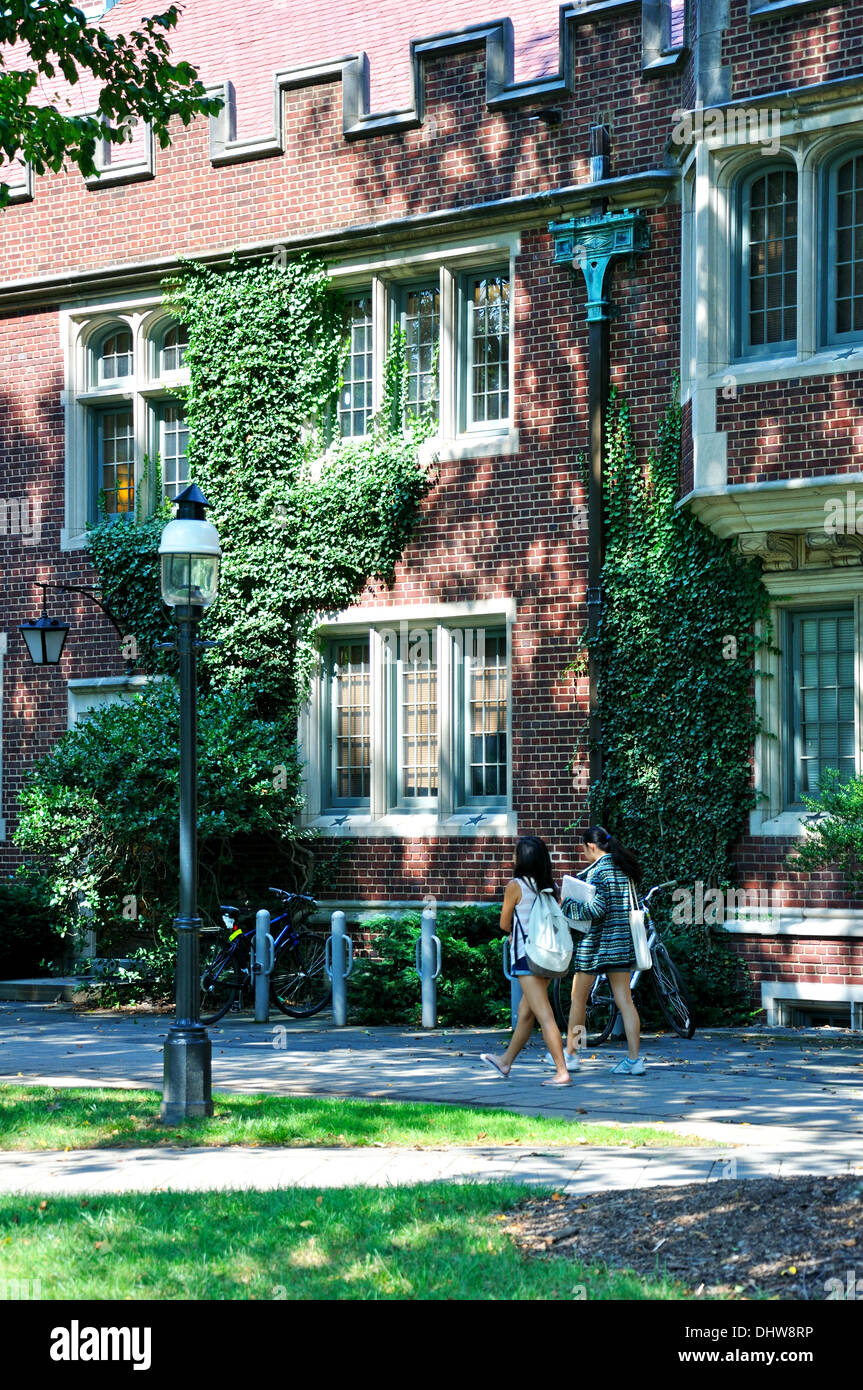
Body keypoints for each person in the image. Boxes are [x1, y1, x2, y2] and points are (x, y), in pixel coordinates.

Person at [480, 836, 572, 1087]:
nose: (512, 858)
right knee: (525, 1013)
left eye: (515, 854)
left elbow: (503, 923)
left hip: (527, 958)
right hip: (546, 957)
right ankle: (505, 1061)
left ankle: (562, 1072)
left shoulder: (515, 886)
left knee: (544, 1015)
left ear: (523, 860)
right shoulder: (550, 886)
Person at [557, 826, 646, 1076]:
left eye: (583, 849)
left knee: (578, 1000)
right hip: (621, 945)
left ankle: (572, 1055)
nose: (584, 854)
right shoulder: (622, 867)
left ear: (591, 846)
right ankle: (634, 1060)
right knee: (625, 1002)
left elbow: (596, 910)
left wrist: (569, 906)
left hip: (595, 947)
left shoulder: (598, 871)